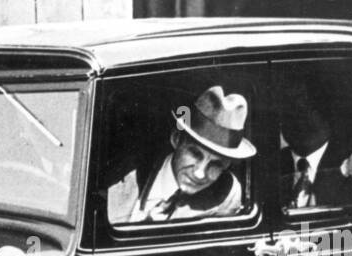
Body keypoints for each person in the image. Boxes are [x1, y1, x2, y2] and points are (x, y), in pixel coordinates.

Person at [107, 85, 256, 223]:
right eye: (195, 154)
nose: (199, 173)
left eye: (216, 164)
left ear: (227, 164)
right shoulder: (124, 170)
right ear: (176, 139)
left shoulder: (227, 196)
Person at [279, 100, 352, 208]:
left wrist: (341, 172)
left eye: (306, 108)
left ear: (327, 117)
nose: (296, 119)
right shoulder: (271, 165)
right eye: (287, 111)